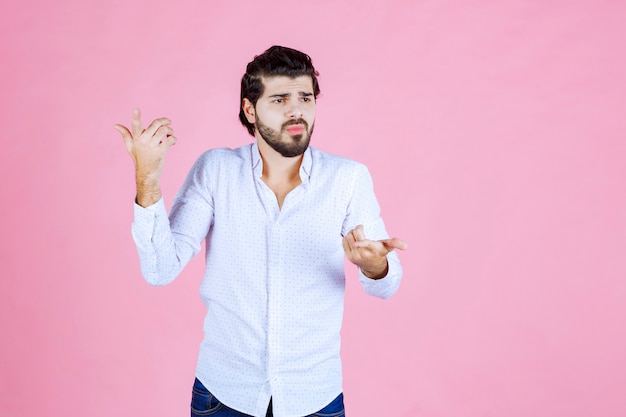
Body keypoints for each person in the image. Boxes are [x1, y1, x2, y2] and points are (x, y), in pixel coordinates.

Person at [114, 45, 407, 417]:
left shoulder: (347, 179)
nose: (296, 109)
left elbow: (387, 283)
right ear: (250, 110)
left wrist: (374, 265)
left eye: (305, 97)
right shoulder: (216, 170)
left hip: (314, 396)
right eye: (280, 99)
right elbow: (160, 269)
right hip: (223, 395)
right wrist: (147, 178)